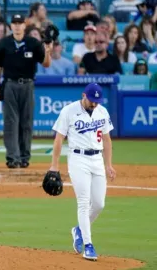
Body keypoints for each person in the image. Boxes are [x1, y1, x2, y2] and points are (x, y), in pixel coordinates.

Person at [49, 83, 116, 261]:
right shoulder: (69, 111)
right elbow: (59, 139)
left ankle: (78, 229)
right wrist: (54, 166)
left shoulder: (102, 111)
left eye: (97, 101)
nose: (94, 104)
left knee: (99, 204)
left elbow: (107, 140)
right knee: (84, 202)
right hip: (78, 159)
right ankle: (88, 245)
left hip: (97, 160)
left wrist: (108, 164)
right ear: (83, 95)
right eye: (91, 100)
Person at [0, 14, 52, 169]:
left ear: (25, 25)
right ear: (11, 26)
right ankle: (12, 157)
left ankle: (24, 157)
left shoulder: (33, 43)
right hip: (10, 84)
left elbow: (45, 64)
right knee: (10, 122)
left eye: (20, 23)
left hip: (28, 84)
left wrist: (48, 51)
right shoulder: (4, 43)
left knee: (26, 122)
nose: (17, 26)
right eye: (14, 23)